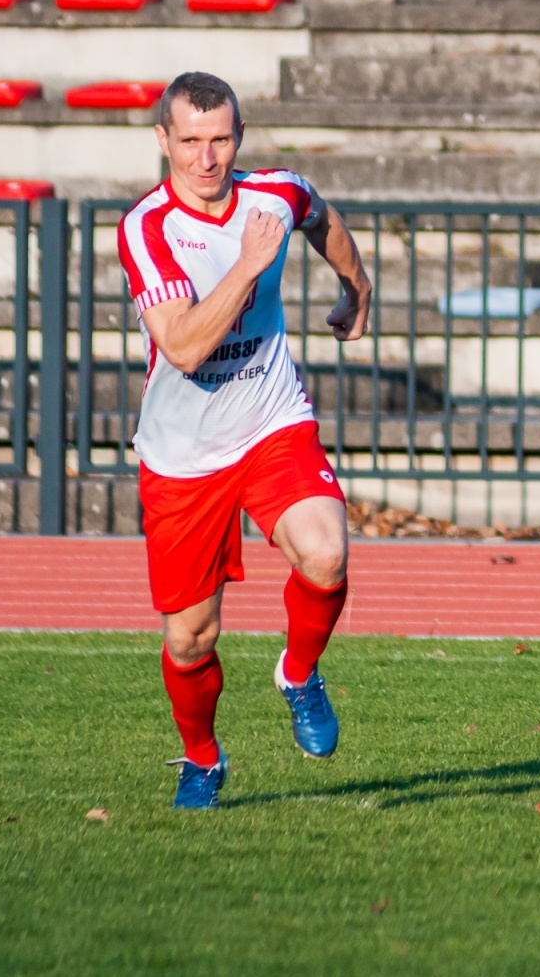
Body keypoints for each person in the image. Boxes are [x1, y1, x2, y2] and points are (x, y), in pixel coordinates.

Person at [118, 71, 372, 809]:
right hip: (183, 456)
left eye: (220, 139)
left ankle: (298, 673)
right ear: (163, 140)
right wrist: (248, 266)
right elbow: (185, 346)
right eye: (190, 141)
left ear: (240, 136)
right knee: (191, 639)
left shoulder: (272, 194)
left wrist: (358, 288)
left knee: (326, 552)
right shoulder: (148, 229)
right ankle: (201, 756)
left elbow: (319, 214)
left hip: (268, 423)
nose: (206, 158)